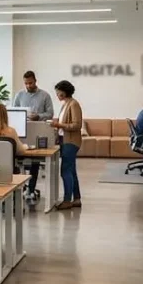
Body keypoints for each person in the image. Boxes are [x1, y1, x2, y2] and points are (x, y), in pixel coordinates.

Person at [47, 80, 83, 210]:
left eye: (58, 92)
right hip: (65, 140)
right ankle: (76, 199)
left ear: (64, 92)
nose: (57, 94)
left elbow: (77, 125)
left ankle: (67, 200)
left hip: (71, 142)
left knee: (65, 171)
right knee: (71, 170)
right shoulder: (65, 104)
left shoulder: (73, 104)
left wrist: (58, 125)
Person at [0, 103, 34, 189]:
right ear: (6, 115)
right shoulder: (11, 131)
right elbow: (20, 151)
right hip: (8, 170)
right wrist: (25, 146)